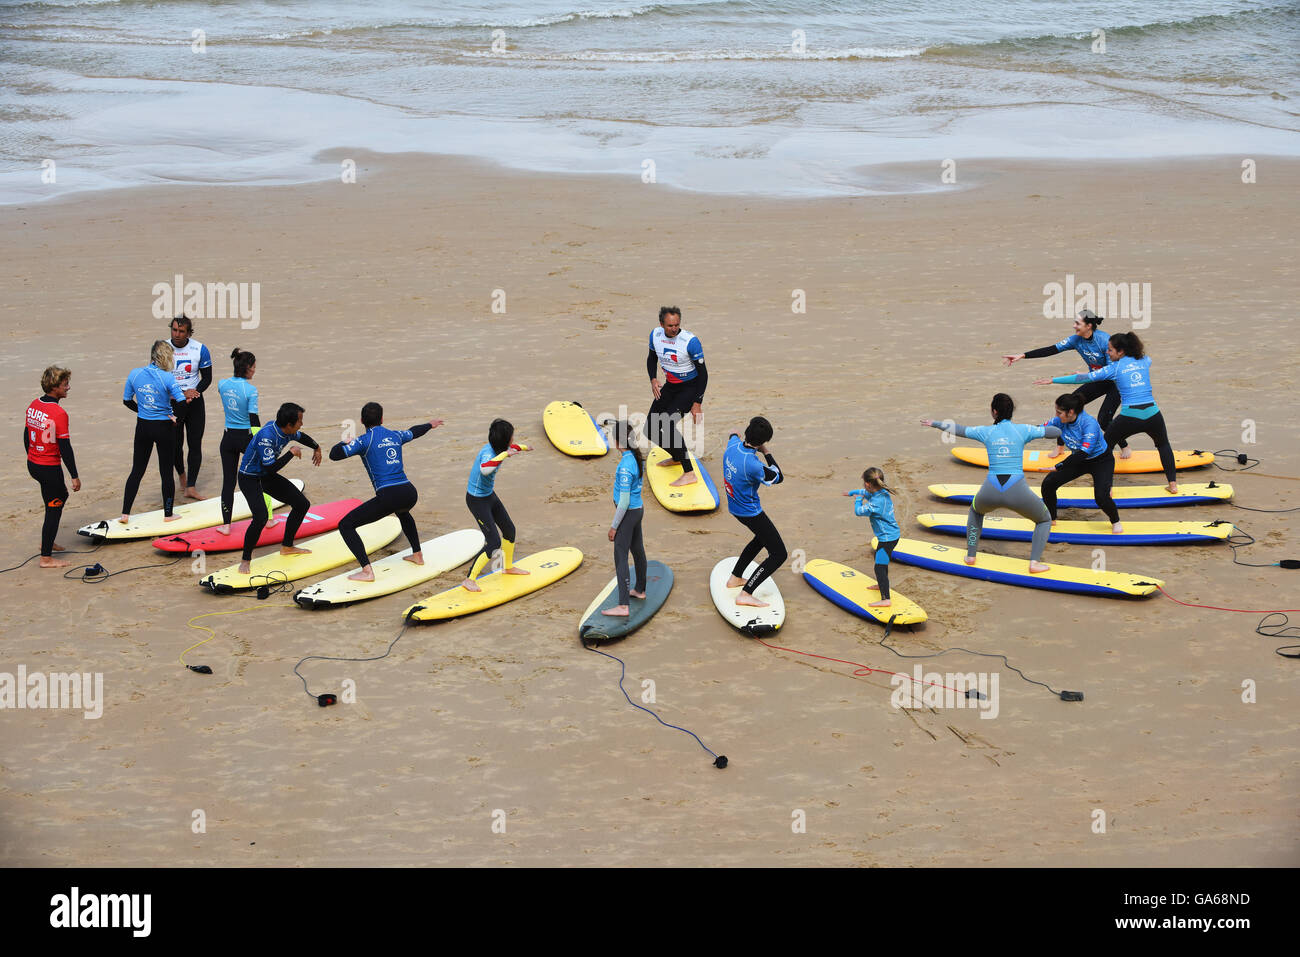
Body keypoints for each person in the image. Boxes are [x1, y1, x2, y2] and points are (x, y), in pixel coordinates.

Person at [922, 393, 1062, 572]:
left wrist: (935, 423)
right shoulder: (1024, 430)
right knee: (1044, 519)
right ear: (1011, 412)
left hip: (991, 489)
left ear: (994, 412)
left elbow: (959, 429)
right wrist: (1038, 428)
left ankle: (971, 555)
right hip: (1017, 490)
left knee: (975, 511)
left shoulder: (986, 431)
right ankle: (1034, 563)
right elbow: (1055, 432)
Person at [1036, 331, 1178, 494]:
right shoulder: (1145, 360)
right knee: (1163, 445)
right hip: (1153, 413)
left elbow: (1083, 379)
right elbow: (1144, 361)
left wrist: (1053, 380)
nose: (1107, 353)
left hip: (1130, 416)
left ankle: (1107, 487)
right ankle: (1173, 484)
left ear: (1121, 351)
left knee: (1103, 449)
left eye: (1110, 350)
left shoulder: (1114, 368)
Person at [329, 403, 443, 582]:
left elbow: (334, 455)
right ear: (382, 419)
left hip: (388, 496)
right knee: (403, 512)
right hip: (409, 492)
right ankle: (417, 555)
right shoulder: (395, 435)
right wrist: (430, 424)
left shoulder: (363, 441)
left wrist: (344, 441)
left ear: (361, 421)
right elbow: (414, 431)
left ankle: (367, 571)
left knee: (346, 525)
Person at [1002, 309, 1129, 458]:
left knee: (1104, 420)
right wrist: (1023, 355)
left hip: (1115, 383)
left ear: (1089, 326)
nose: (1074, 326)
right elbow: (1052, 349)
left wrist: (1084, 376)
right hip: (1095, 380)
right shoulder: (1075, 340)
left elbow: (1111, 369)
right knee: (1068, 406)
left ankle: (1125, 447)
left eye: (1077, 323)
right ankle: (1060, 446)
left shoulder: (1103, 340)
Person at [235, 402, 321, 575]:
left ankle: (287, 546)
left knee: (302, 504)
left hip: (265, 477)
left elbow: (301, 436)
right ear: (289, 424)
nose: (301, 424)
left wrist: (316, 447)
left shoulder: (286, 430)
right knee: (261, 517)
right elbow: (271, 468)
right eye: (299, 421)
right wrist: (291, 453)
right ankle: (245, 560)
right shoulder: (267, 437)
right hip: (250, 478)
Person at [121, 340, 190, 523]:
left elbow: (127, 400)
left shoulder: (135, 374)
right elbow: (182, 402)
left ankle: (125, 514)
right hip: (163, 428)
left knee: (137, 470)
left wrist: (143, 411)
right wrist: (176, 419)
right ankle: (168, 514)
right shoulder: (167, 378)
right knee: (166, 473)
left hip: (143, 427)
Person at [721, 416, 786, 608]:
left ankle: (735, 578)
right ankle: (746, 593)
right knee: (778, 554)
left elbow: (733, 433)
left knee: (760, 539)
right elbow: (779, 477)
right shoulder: (753, 465)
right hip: (750, 512)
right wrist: (766, 452)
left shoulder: (732, 445)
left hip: (734, 507)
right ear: (763, 442)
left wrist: (737, 434)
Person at [463, 418, 532, 592]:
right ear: (504, 440)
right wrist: (505, 455)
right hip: (476, 500)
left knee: (509, 530)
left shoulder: (501, 448)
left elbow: (513, 448)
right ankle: (469, 579)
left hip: (489, 496)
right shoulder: (488, 453)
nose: (513, 439)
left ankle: (507, 567)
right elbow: (485, 468)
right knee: (493, 541)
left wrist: (524, 447)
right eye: (511, 437)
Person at [1039, 393, 1122, 532]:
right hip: (1078, 459)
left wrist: (1058, 466)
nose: (1056, 415)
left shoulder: (1089, 423)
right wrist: (1020, 433)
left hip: (1101, 461)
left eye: (1059, 412)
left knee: (1101, 497)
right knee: (1049, 483)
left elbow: (1084, 453)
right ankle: (1051, 518)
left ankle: (1116, 521)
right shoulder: (1059, 420)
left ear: (1070, 412)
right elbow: (1040, 429)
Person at [24, 365, 80, 567]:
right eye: (65, 385)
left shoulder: (33, 405)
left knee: (53, 498)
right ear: (55, 387)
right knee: (55, 504)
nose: (68, 388)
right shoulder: (59, 413)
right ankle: (45, 557)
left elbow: (26, 435)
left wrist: (32, 456)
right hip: (48, 466)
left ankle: (47, 540)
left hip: (34, 464)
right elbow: (65, 448)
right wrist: (74, 475)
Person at [646, 306, 707, 487]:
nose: (674, 329)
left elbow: (703, 374)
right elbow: (651, 358)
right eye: (670, 325)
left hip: (689, 389)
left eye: (677, 325)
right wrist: (653, 379)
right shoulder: (655, 335)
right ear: (661, 324)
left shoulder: (690, 341)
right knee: (649, 429)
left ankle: (689, 473)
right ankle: (677, 456)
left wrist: (697, 403)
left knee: (666, 423)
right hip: (670, 387)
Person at [601, 419, 647, 617]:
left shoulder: (625, 467)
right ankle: (640, 590)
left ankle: (623, 605)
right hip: (638, 511)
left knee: (620, 556)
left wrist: (614, 527)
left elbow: (624, 501)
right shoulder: (637, 458)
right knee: (637, 551)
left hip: (628, 514)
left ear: (618, 442)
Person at [215, 348, 264, 535]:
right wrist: (260, 442)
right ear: (248, 368)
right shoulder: (251, 390)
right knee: (260, 476)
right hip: (246, 438)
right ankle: (267, 519)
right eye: (254, 367)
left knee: (228, 482)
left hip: (227, 439)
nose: (255, 370)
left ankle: (226, 525)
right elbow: (254, 421)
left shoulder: (222, 384)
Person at [168, 315, 212, 499]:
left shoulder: (200, 349)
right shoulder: (162, 348)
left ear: (188, 333)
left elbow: (207, 378)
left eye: (181, 331)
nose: (177, 334)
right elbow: (157, 377)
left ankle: (191, 486)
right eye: (174, 330)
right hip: (172, 403)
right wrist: (180, 394)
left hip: (194, 403)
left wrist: (194, 392)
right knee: (175, 446)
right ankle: (182, 477)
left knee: (195, 444)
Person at [843, 467, 900, 608]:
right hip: (890, 536)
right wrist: (852, 493)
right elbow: (864, 492)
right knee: (880, 561)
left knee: (879, 567)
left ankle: (885, 599)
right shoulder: (881, 493)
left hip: (888, 539)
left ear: (868, 484)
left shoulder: (875, 504)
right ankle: (881, 585)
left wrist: (858, 500)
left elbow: (859, 512)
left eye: (863, 483)